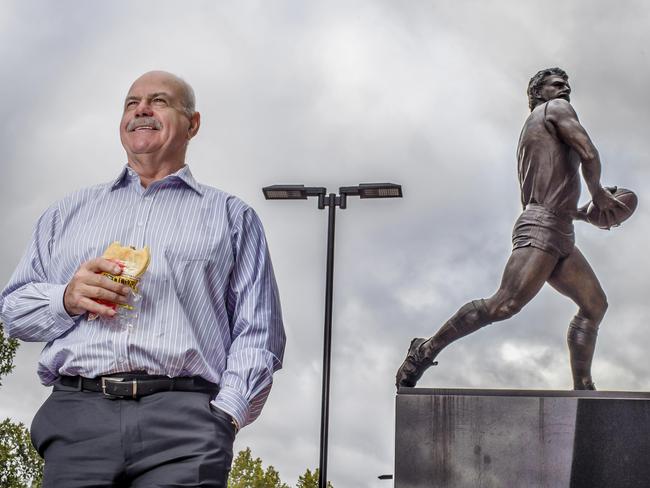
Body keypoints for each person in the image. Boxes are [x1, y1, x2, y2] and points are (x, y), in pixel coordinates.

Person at [1, 71, 286, 487]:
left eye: (159, 101)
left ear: (193, 123)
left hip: (185, 423)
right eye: (131, 103)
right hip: (78, 417)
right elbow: (13, 312)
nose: (142, 110)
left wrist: (226, 415)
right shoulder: (66, 213)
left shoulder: (232, 217)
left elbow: (259, 332)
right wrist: (66, 297)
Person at [396, 67, 626, 391]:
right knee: (504, 304)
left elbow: (554, 193)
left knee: (595, 305)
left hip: (558, 228)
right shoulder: (554, 110)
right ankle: (425, 349)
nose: (565, 89)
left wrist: (586, 214)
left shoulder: (539, 130)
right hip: (542, 226)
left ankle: (583, 388)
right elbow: (588, 151)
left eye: (568, 86)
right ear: (538, 93)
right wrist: (599, 192)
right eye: (557, 85)